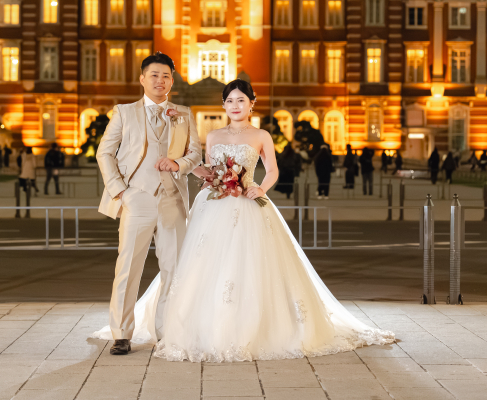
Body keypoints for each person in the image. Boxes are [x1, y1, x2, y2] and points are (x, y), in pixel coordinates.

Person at [91, 77, 395, 360]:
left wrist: (258, 188)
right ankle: (188, 326)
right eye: (230, 101)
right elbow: (208, 167)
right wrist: (196, 171)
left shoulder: (261, 135)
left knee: (250, 265)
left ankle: (250, 328)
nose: (235, 106)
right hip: (214, 204)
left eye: (241, 100)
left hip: (247, 202)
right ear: (224, 105)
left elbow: (272, 170)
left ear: (252, 103)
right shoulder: (213, 135)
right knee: (200, 264)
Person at [91, 52, 203, 356]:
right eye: (154, 75)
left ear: (172, 80)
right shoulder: (123, 113)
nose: (160, 80)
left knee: (174, 269)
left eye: (166, 75)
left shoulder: (183, 113)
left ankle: (166, 331)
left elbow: (195, 154)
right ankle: (122, 333)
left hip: (172, 201)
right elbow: (104, 153)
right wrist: (120, 191)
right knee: (128, 268)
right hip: (136, 199)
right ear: (142, 78)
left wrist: (178, 163)